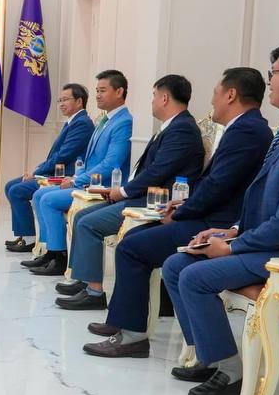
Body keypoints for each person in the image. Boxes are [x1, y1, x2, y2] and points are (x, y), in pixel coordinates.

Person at [163, 40, 279, 395]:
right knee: (175, 265)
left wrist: (231, 248)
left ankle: (230, 372)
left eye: (273, 72)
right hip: (273, 242)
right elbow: (263, 199)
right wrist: (231, 230)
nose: (269, 82)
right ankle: (211, 353)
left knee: (195, 277)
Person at [83, 67, 273, 358]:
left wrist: (182, 213)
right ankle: (126, 324)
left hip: (217, 223)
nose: (212, 101)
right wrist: (183, 205)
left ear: (231, 95)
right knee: (132, 240)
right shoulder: (246, 128)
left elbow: (218, 187)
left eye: (216, 93)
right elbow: (215, 184)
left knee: (133, 248)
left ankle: (133, 336)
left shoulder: (247, 130)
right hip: (210, 215)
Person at [54, 74, 205, 309]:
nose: (151, 101)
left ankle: (94, 293)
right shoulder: (172, 126)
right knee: (82, 216)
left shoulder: (182, 129)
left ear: (165, 98)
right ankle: (86, 280)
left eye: (154, 95)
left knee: (89, 224)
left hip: (156, 201)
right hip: (142, 194)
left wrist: (123, 191)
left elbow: (157, 172)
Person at [24, 70, 133, 276]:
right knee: (39, 194)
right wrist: (76, 176)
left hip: (103, 186)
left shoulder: (123, 122)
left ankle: (59, 257)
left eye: (103, 90)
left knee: (48, 199)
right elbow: (87, 159)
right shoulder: (105, 120)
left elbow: (111, 164)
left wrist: (77, 180)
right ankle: (50, 252)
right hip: (87, 180)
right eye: (97, 90)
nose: (98, 95)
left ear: (119, 92)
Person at [4, 84, 93, 252]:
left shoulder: (82, 124)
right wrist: (38, 170)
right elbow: (57, 155)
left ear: (79, 101)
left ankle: (30, 240)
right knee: (10, 186)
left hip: (64, 176)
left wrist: (36, 172)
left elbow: (63, 155)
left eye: (65, 99)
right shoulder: (72, 122)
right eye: (59, 100)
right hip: (54, 172)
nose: (61, 104)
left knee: (17, 190)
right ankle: (25, 235)